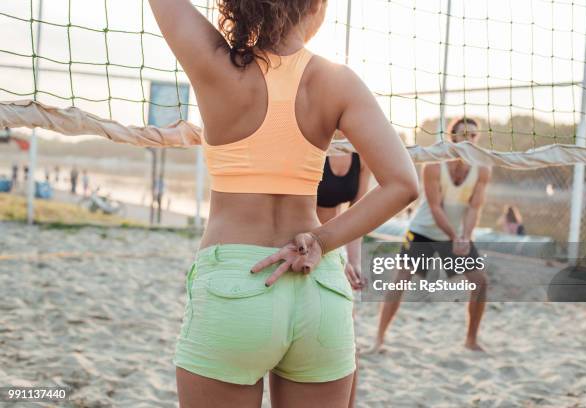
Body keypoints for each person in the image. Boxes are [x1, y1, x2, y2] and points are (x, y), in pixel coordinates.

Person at [88, 1, 419, 406]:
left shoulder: (214, 63)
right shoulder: (337, 81)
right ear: (316, 6)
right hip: (318, 287)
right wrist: (322, 240)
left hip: (238, 283)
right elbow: (402, 184)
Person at [369, 117, 491, 353]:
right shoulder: (434, 164)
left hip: (455, 234)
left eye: (473, 135)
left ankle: (471, 340)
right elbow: (435, 207)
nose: (469, 139)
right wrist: (455, 236)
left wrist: (465, 236)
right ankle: (379, 339)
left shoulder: (483, 168)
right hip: (423, 230)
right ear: (452, 137)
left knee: (480, 282)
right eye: (464, 134)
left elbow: (475, 208)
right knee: (401, 279)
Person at [316, 131, 372, 408]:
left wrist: (354, 261)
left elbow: (358, 215)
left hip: (333, 245)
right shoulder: (315, 142)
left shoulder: (360, 153)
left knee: (348, 334)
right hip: (300, 239)